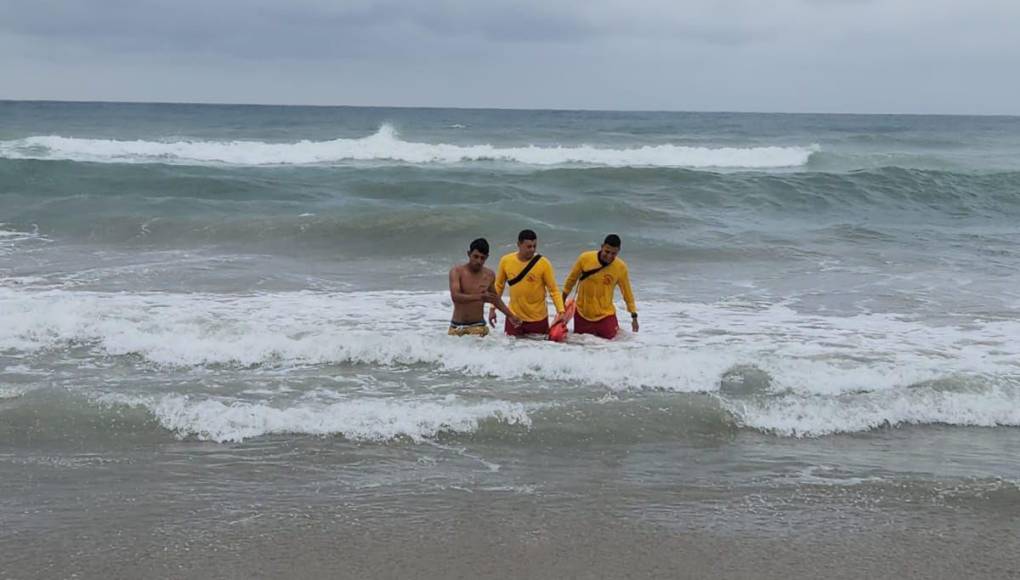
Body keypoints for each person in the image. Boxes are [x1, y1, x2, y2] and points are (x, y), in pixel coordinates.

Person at [489, 229, 565, 336]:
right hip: (513, 317)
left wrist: (561, 311)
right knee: (511, 349)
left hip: (538, 319)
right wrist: (493, 308)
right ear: (519, 244)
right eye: (529, 246)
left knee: (537, 350)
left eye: (534, 246)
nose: (532, 249)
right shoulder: (506, 261)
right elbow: (498, 286)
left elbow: (553, 290)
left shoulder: (544, 263)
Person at [561, 234, 638, 340]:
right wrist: (560, 306)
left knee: (612, 345)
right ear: (602, 247)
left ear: (618, 251)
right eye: (607, 251)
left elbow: (627, 293)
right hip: (583, 314)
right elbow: (570, 281)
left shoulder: (620, 267)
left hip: (605, 316)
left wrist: (634, 316)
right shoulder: (585, 258)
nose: (609, 256)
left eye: (613, 253)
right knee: (580, 345)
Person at [448, 238, 520, 336]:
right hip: (457, 326)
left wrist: (511, 316)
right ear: (469, 254)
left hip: (479, 325)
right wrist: (480, 297)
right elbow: (455, 296)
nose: (479, 261)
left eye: (482, 258)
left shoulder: (489, 275)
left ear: (487, 257)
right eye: (476, 256)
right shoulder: (457, 272)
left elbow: (495, 298)